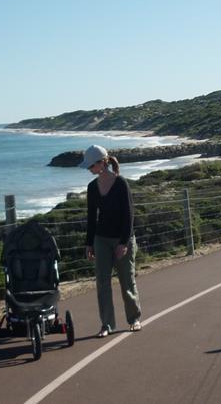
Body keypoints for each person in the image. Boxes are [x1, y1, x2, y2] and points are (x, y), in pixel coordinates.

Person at [81, 144, 142, 336]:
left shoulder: (121, 183)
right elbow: (92, 218)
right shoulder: (92, 187)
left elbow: (129, 215)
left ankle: (134, 319)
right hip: (101, 239)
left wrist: (124, 243)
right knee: (102, 283)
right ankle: (107, 324)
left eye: (91, 166)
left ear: (102, 163)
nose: (89, 169)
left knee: (127, 281)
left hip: (122, 239)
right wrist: (89, 243)